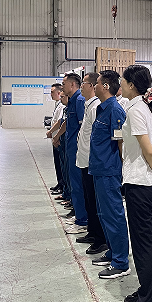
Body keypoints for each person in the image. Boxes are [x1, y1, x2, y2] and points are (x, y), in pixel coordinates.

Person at [117, 65, 152, 302]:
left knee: (142, 245)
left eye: (123, 82)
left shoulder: (136, 110)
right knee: (150, 243)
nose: (120, 85)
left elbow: (149, 149)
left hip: (139, 183)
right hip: (146, 182)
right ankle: (150, 294)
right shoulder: (146, 108)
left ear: (132, 85)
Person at [88, 70, 130, 279]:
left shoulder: (115, 110)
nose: (94, 86)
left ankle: (121, 261)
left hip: (109, 171)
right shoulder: (101, 108)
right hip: (99, 168)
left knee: (113, 214)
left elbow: (121, 143)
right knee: (104, 214)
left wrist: (122, 171)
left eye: (96, 83)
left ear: (105, 86)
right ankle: (113, 251)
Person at [72, 72, 107, 254]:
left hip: (91, 162)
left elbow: (97, 138)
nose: (81, 87)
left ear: (92, 86)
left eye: (84, 84)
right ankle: (92, 232)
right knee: (88, 199)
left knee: (94, 202)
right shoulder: (88, 106)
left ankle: (100, 239)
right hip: (84, 160)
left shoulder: (96, 108)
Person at [62, 73, 88, 234]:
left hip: (77, 149)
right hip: (71, 148)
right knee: (74, 183)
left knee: (78, 185)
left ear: (72, 85)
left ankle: (82, 220)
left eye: (64, 84)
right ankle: (79, 215)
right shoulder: (72, 101)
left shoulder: (79, 101)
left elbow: (83, 128)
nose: (62, 87)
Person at [46, 83, 65, 195]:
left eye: (52, 92)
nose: (51, 94)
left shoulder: (62, 106)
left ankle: (62, 185)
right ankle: (59, 183)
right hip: (55, 138)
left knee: (61, 163)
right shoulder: (58, 104)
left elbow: (60, 122)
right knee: (57, 163)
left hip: (58, 138)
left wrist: (52, 132)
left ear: (58, 92)